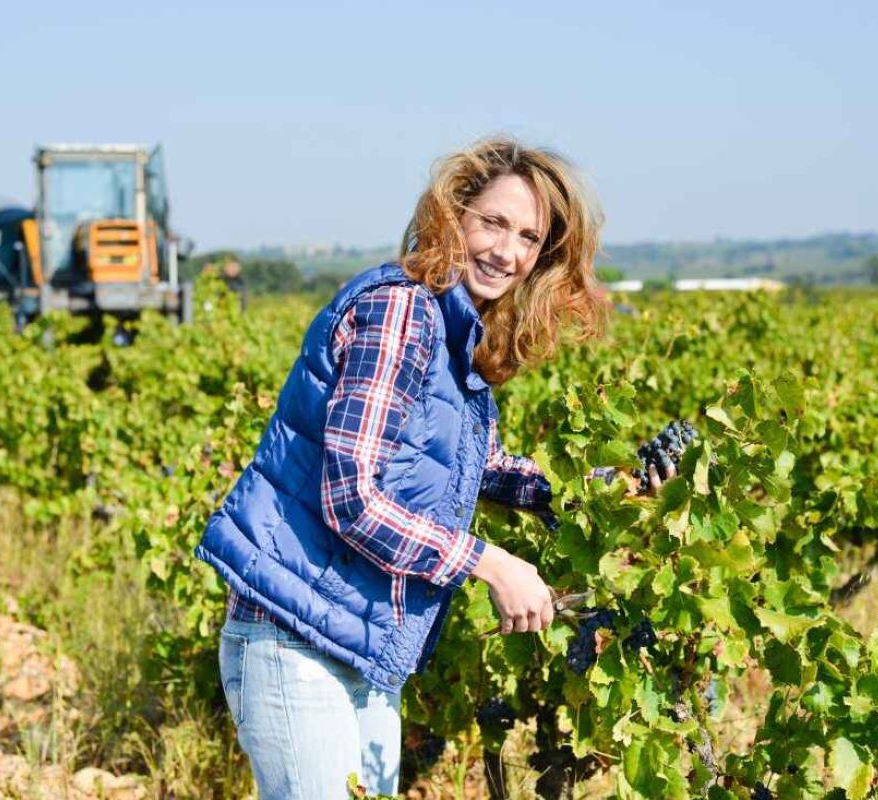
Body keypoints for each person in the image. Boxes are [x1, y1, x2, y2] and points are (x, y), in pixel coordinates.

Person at [195, 137, 667, 798]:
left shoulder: (452, 333)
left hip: (355, 641)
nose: (506, 251)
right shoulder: (401, 312)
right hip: (294, 640)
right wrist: (492, 564)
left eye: (529, 238)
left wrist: (617, 488)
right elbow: (353, 497)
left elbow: (486, 470)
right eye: (493, 222)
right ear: (453, 213)